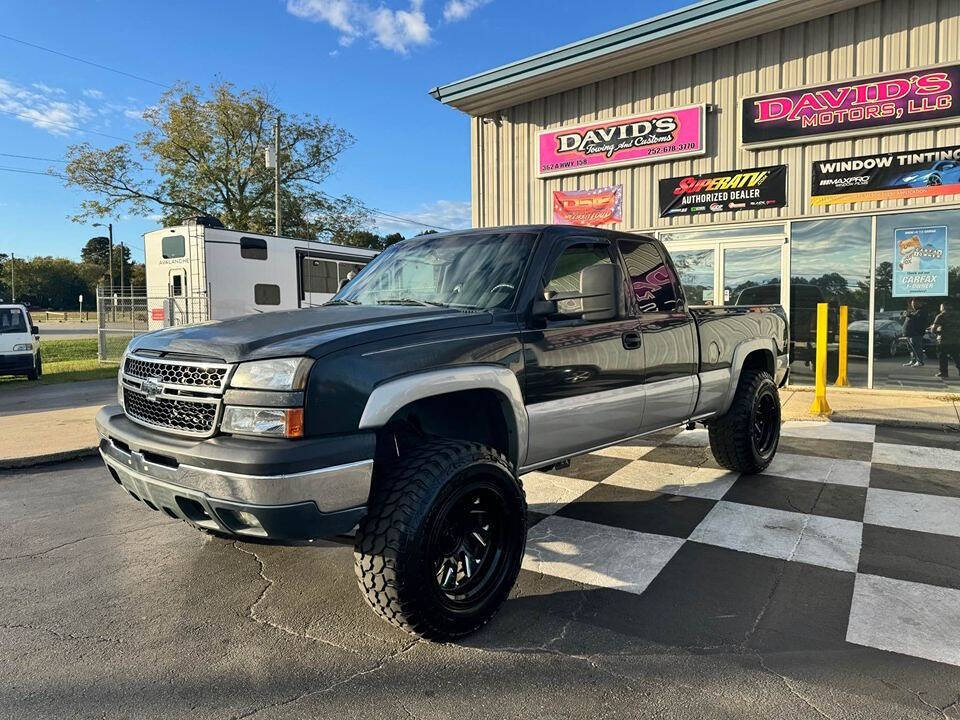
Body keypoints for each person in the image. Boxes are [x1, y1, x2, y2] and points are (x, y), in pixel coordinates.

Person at [930, 301, 960, 380]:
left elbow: (933, 329)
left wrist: (937, 332)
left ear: (943, 307)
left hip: (944, 340)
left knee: (943, 357)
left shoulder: (941, 316)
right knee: (957, 357)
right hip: (956, 340)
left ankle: (944, 373)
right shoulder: (958, 315)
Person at [901, 299, 928, 367]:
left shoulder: (922, 311)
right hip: (909, 333)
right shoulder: (914, 311)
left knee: (917, 348)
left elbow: (917, 319)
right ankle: (913, 360)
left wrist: (908, 315)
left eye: (915, 303)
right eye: (913, 303)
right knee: (911, 348)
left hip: (916, 333)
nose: (913, 305)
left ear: (920, 303)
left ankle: (919, 361)